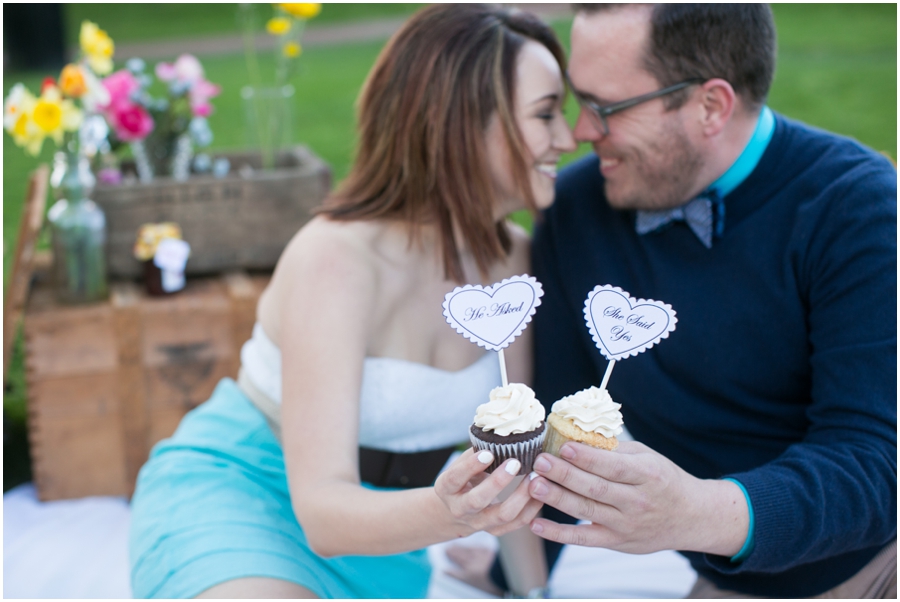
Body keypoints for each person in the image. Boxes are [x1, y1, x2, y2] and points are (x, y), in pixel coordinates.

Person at [128, 4, 576, 599]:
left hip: (383, 537)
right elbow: (322, 515)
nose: (567, 139)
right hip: (242, 497)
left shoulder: (515, 259)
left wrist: (531, 593)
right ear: (465, 122)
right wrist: (459, 511)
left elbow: (510, 458)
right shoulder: (335, 260)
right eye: (546, 114)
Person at [522, 3, 896, 598]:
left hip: (872, 566)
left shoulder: (858, 207)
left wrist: (693, 514)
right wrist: (513, 584)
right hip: (724, 574)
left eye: (607, 108)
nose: (579, 133)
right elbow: (556, 426)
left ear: (710, 106)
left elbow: (878, 462)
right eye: (577, 100)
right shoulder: (575, 211)